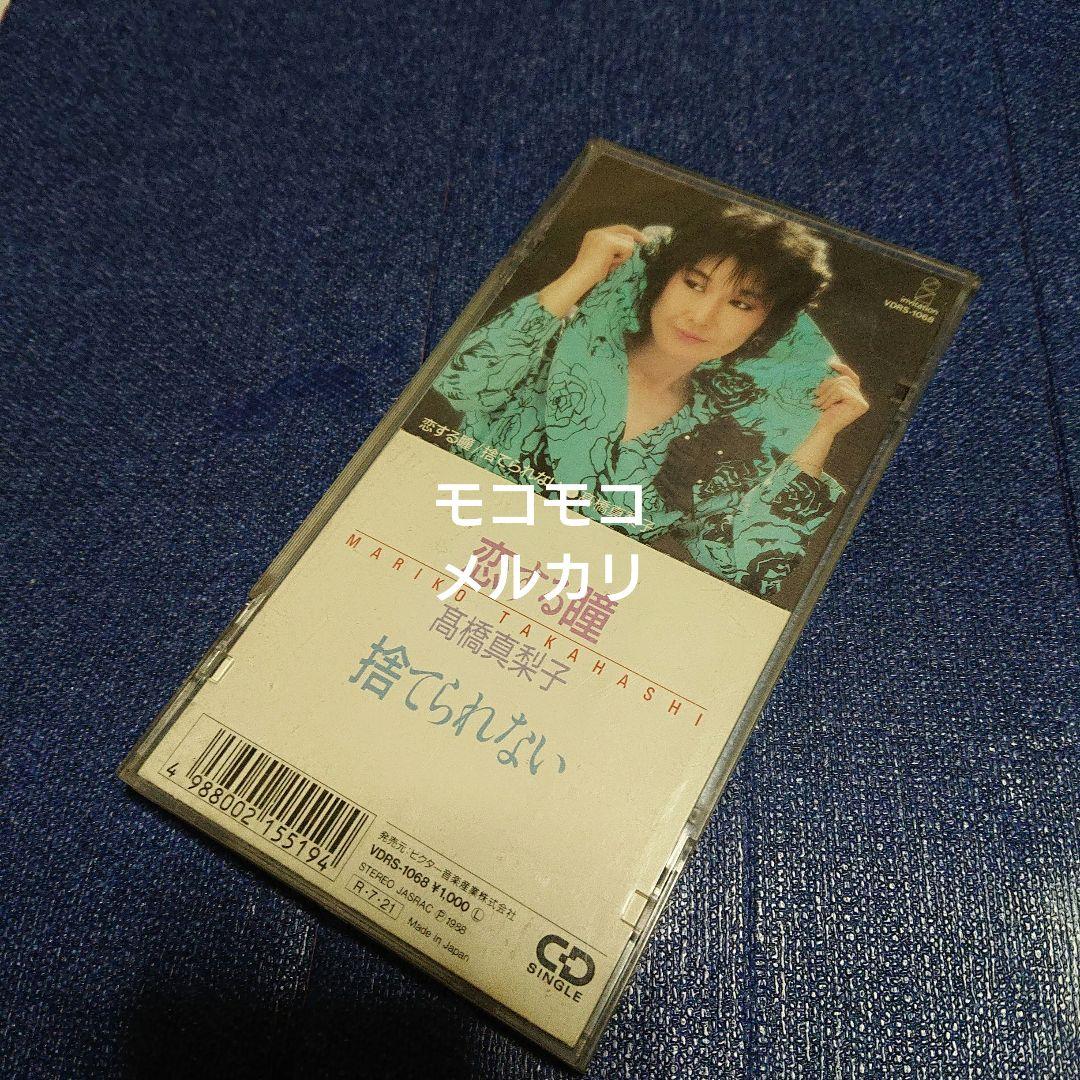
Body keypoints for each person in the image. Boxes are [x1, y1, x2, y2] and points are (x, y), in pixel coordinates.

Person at [428, 204, 869, 600]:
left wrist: (822, 431)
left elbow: (745, 564)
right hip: (439, 552)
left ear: (768, 326)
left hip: (563, 606)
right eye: (694, 284)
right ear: (662, 279)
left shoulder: (722, 435)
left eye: (740, 304)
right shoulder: (556, 341)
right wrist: (582, 274)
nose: (701, 317)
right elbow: (459, 383)